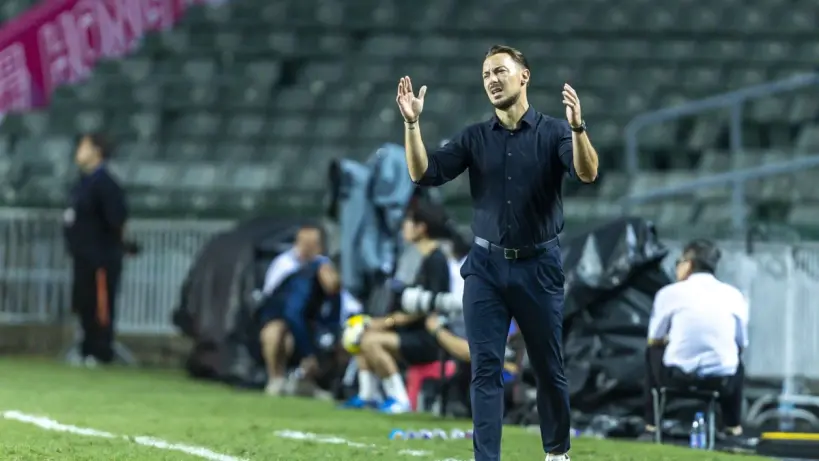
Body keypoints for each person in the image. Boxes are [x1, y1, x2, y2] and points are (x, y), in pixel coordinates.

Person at [396, 45, 599, 461]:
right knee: (484, 369)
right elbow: (424, 172)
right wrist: (413, 124)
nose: (491, 79)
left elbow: (587, 171)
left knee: (548, 368)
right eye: (486, 73)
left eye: (500, 71)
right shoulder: (474, 137)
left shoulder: (556, 131)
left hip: (538, 267)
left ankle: (557, 452)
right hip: (486, 268)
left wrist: (579, 129)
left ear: (524, 76)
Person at [343, 203, 451, 414]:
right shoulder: (410, 255)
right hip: (404, 329)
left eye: (408, 223)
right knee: (360, 334)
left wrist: (387, 322)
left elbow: (428, 307)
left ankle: (400, 400)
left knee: (370, 340)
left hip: (426, 336)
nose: (404, 227)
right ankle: (368, 396)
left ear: (422, 228)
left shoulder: (436, 260)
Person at [643, 239, 749, 438]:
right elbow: (742, 343)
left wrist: (671, 341)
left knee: (652, 352)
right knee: (736, 359)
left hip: (676, 378)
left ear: (689, 264)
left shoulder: (669, 293)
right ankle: (733, 425)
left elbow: (654, 339)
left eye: (679, 263)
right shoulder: (734, 295)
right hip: (721, 381)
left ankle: (652, 424)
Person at [63, 133, 128, 367]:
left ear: (96, 151)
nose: (78, 151)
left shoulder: (106, 184)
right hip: (82, 257)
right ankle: (86, 348)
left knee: (100, 305)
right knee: (84, 303)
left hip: (100, 257)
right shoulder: (82, 183)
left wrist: (109, 247)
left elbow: (116, 219)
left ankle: (100, 351)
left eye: (83, 146)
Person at [258, 224, 340, 396]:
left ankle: (309, 383)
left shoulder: (322, 265)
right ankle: (276, 380)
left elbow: (334, 295)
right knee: (276, 334)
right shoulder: (285, 265)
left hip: (309, 320)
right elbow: (287, 310)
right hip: (281, 320)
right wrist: (308, 351)